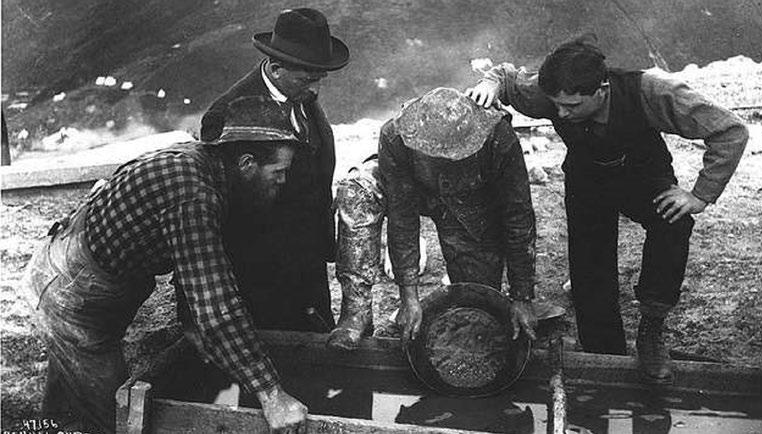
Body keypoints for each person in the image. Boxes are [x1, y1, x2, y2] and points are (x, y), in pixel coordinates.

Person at [466, 34, 748, 384]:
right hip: (588, 178)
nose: (560, 114)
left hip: (643, 173)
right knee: (589, 264)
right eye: (556, 105)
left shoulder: (652, 91)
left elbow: (730, 131)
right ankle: (604, 351)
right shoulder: (551, 93)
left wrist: (700, 195)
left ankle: (651, 328)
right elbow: (507, 78)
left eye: (571, 106)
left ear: (601, 91)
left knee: (674, 225)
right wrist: (490, 85)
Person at [20, 97, 310, 433]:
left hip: (80, 276)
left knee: (68, 402)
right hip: (70, 295)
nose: (282, 181)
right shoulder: (192, 193)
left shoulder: (205, 166)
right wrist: (271, 394)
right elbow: (216, 304)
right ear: (247, 163)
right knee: (115, 417)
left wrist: (190, 323)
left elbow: (192, 261)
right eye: (279, 172)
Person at [327, 87, 538, 351]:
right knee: (357, 191)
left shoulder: (499, 137)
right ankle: (355, 312)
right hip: (413, 187)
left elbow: (518, 216)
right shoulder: (395, 135)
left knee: (477, 307)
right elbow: (403, 216)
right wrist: (408, 296)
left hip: (469, 204)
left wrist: (522, 296)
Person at [200, 8, 348, 332]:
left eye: (320, 79)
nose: (316, 90)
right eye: (308, 79)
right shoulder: (225, 115)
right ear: (277, 68)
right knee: (276, 343)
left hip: (309, 259)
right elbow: (224, 207)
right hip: (263, 270)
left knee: (318, 336)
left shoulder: (301, 92)